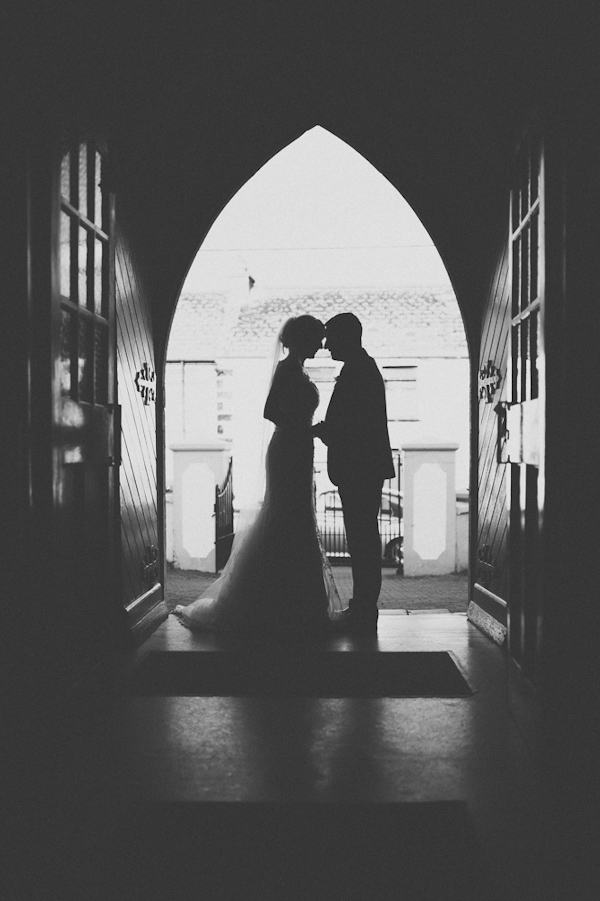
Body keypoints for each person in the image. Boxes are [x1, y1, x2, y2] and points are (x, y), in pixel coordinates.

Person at [173, 315, 347, 635]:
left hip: (299, 448)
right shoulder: (286, 369)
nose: (322, 345)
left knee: (299, 517)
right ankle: (275, 602)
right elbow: (270, 411)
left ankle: (298, 602)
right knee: (285, 515)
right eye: (317, 338)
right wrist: (306, 429)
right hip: (287, 448)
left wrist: (307, 432)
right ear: (302, 339)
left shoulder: (298, 370)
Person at [313, 313, 395, 636]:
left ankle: (365, 610)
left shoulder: (360, 372)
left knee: (363, 542)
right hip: (361, 469)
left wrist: (318, 431)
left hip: (360, 470)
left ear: (348, 337)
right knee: (361, 541)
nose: (326, 345)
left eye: (331, 338)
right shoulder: (360, 368)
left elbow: (351, 427)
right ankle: (363, 606)